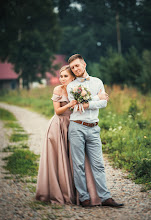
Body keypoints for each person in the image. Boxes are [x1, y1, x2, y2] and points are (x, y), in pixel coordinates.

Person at [35, 65, 106, 205]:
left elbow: (87, 102)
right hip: (60, 125)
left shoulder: (77, 89)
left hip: (75, 125)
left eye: (65, 76)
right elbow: (57, 111)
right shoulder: (58, 89)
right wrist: (69, 105)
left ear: (73, 77)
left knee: (78, 160)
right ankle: (63, 191)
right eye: (61, 76)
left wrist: (98, 97)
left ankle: (83, 193)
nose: (62, 79)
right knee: (61, 158)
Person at [67, 54, 124, 208]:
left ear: (84, 64)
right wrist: (95, 98)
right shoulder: (71, 86)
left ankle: (105, 197)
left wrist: (89, 102)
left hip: (94, 128)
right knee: (78, 165)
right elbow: (77, 106)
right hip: (77, 126)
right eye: (72, 67)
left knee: (98, 164)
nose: (75, 69)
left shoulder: (98, 81)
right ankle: (84, 198)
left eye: (77, 65)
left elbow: (104, 103)